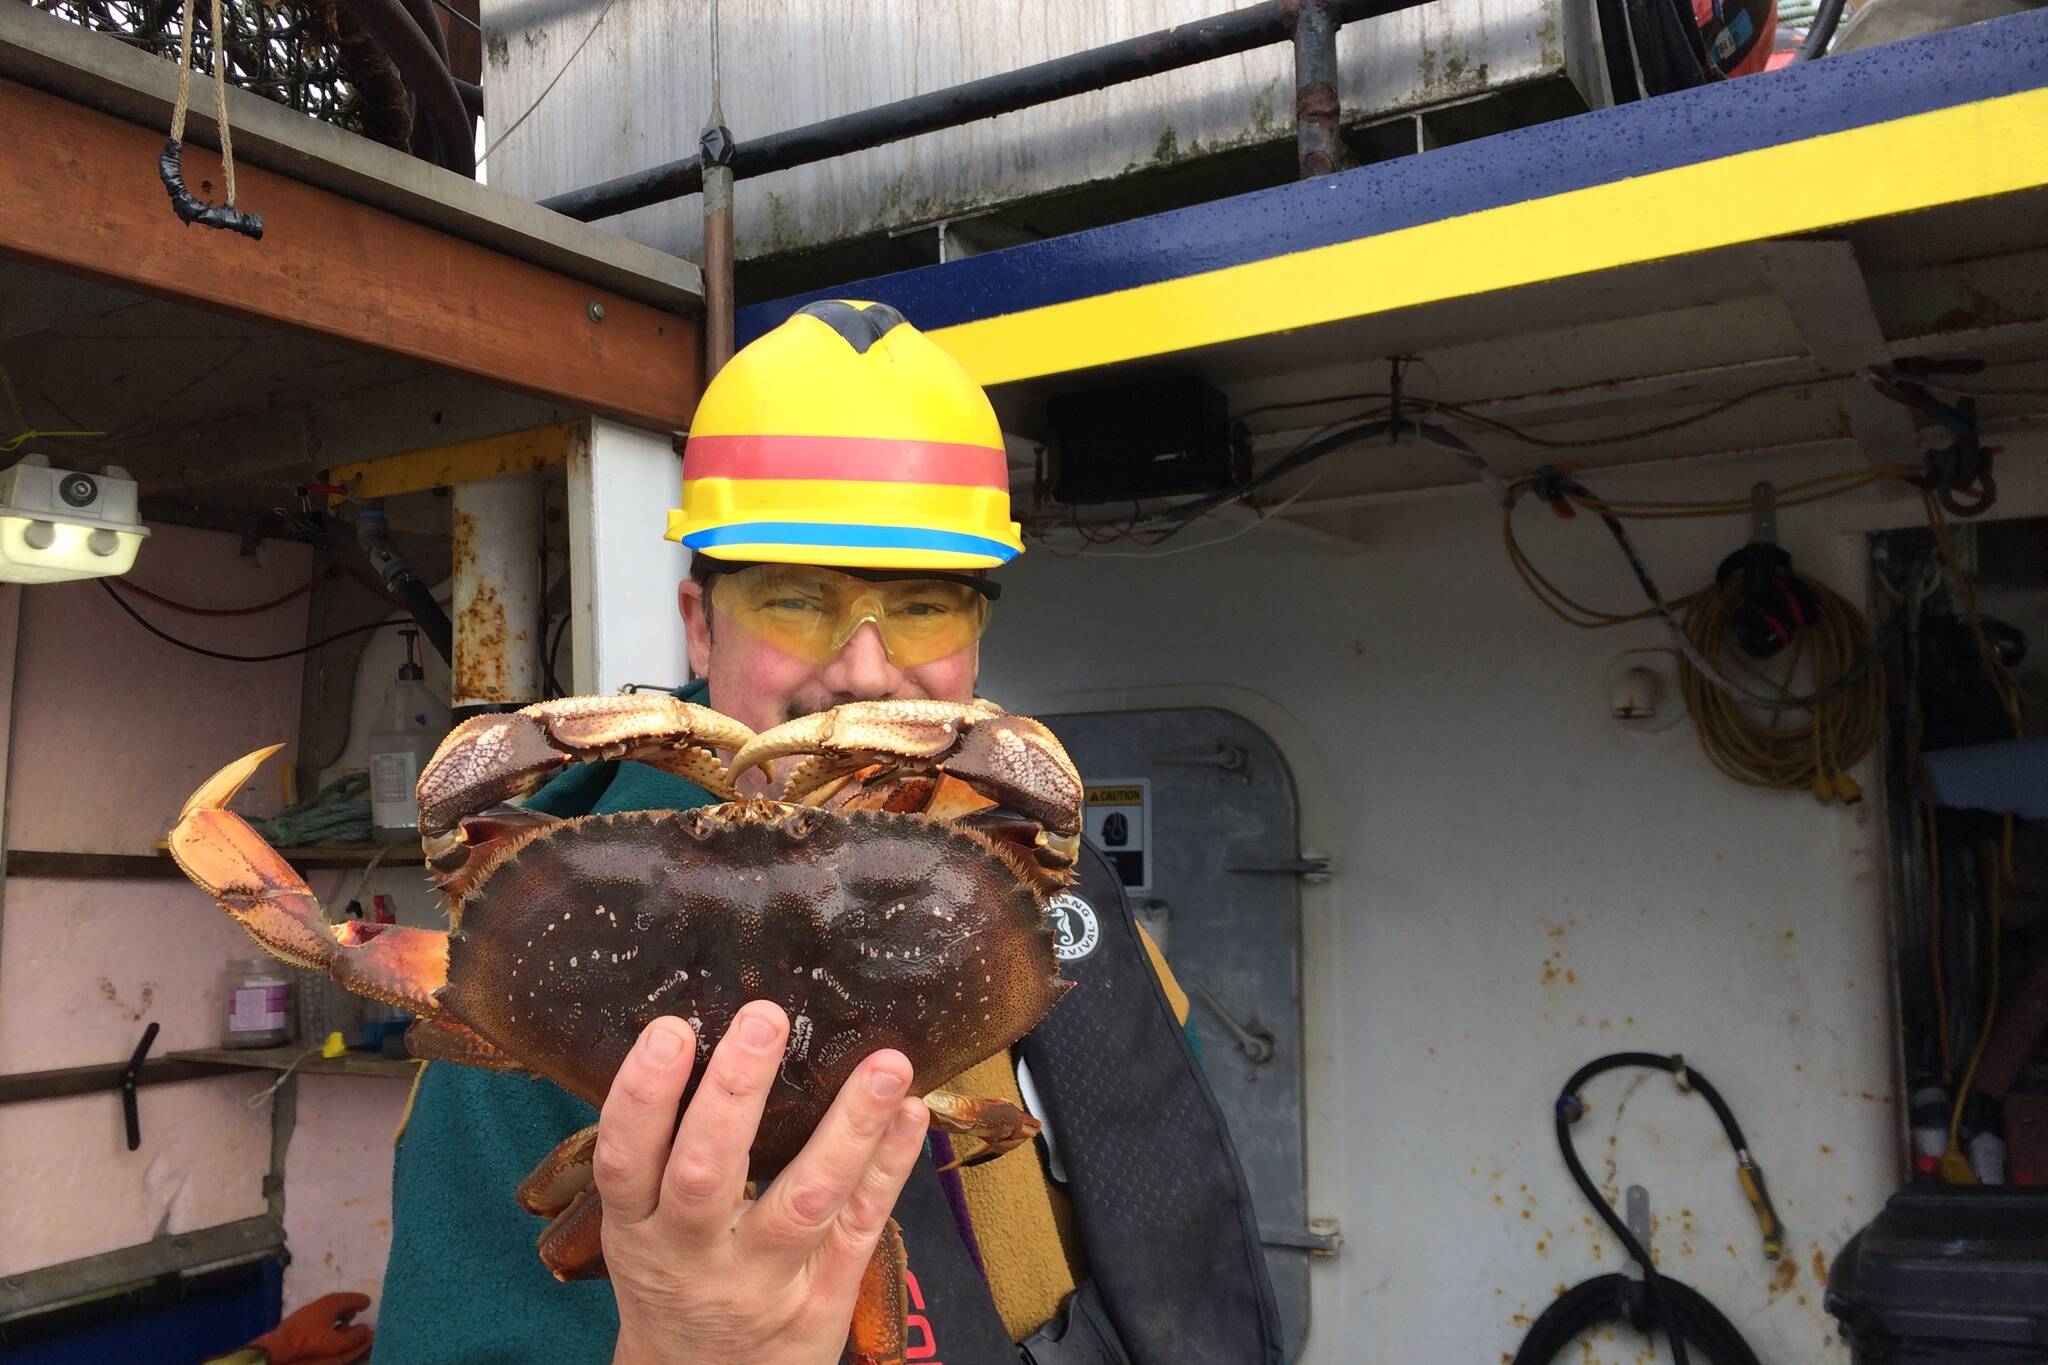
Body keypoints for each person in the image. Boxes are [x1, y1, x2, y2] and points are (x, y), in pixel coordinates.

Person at [371, 301, 1281, 1364]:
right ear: (699, 621)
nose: (864, 669)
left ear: (976, 632)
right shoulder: (553, 944)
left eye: (925, 604)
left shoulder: (1036, 872)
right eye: (797, 600)